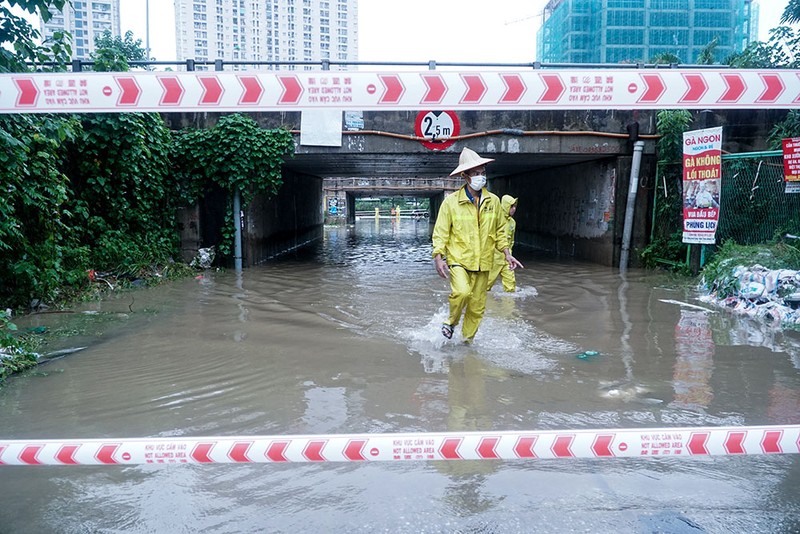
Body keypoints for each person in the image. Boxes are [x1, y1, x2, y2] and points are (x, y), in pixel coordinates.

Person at [432, 148, 523, 342]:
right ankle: (451, 322)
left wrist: (507, 254)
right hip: (459, 259)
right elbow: (440, 232)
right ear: (465, 176)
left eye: (483, 173)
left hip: (484, 262)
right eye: (476, 174)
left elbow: (499, 230)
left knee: (477, 307)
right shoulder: (451, 203)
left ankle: (466, 343)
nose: (481, 177)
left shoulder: (494, 201)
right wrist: (438, 257)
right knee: (462, 292)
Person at [487, 195, 518, 293]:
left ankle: (509, 307)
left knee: (511, 286)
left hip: (507, 259)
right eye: (511, 206)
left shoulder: (512, 222)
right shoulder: (494, 220)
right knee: (485, 286)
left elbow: (511, 241)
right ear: (505, 206)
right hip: (494, 260)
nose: (514, 209)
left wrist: (509, 254)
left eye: (515, 206)